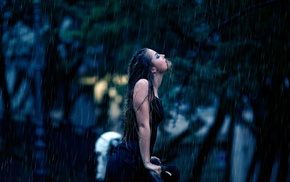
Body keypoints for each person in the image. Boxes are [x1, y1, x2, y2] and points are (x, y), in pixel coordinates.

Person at [104, 48, 179, 182]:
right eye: (157, 56)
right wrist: (146, 162)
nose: (163, 55)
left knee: (173, 172)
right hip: (126, 161)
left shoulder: (153, 89)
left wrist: (148, 157)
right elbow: (143, 125)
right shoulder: (143, 84)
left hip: (135, 160)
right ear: (153, 69)